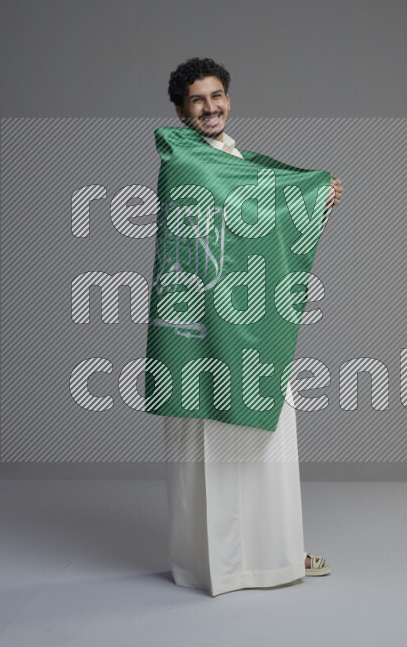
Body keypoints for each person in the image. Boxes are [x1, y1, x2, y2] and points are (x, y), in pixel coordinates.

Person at [161, 57, 343, 596]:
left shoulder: (236, 158)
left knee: (265, 438)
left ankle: (276, 555)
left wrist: (315, 196)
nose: (210, 107)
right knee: (209, 440)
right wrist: (305, 195)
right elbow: (241, 207)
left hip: (246, 322)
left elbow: (263, 202)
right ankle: (219, 562)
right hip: (204, 325)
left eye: (217, 96)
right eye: (197, 100)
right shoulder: (187, 163)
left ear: (229, 100)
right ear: (180, 110)